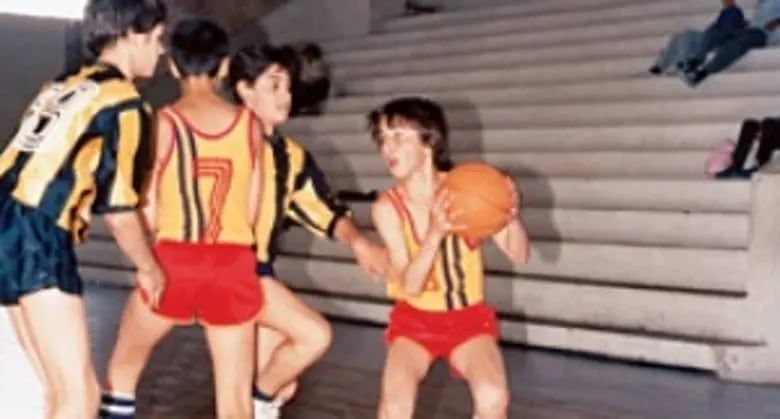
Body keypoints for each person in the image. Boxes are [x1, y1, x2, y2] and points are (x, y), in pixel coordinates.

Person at [0, 0, 167, 417]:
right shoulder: (125, 104)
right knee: (79, 396)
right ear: (133, 34)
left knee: (60, 390)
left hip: (9, 216)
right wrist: (149, 266)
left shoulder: (64, 83)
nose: (162, 52)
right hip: (34, 230)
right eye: (158, 39)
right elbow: (120, 209)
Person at [100, 19, 263, 419]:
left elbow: (148, 206)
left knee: (123, 369)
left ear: (172, 66)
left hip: (175, 259)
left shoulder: (163, 123)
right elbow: (255, 205)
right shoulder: (250, 125)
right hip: (231, 260)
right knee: (236, 398)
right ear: (224, 66)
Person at [227, 44, 389, 419]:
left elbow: (325, 210)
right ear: (244, 89)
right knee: (313, 336)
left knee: (281, 382)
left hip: (259, 273)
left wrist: (360, 242)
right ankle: (256, 400)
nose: (285, 96)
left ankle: (258, 401)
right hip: (229, 273)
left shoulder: (290, 156)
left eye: (287, 86)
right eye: (274, 85)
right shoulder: (218, 141)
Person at [367, 97, 530, 419]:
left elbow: (519, 255)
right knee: (394, 408)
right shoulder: (387, 208)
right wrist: (434, 235)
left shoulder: (467, 188)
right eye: (383, 139)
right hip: (414, 321)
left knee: (493, 396)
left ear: (429, 141)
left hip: (468, 319)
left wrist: (509, 216)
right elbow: (410, 287)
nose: (388, 148)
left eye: (398, 137)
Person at [683, 0, 780, 86]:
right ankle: (697, 60)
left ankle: (703, 72)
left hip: (763, 34)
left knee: (738, 44)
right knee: (729, 17)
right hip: (749, 28)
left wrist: (777, 21)